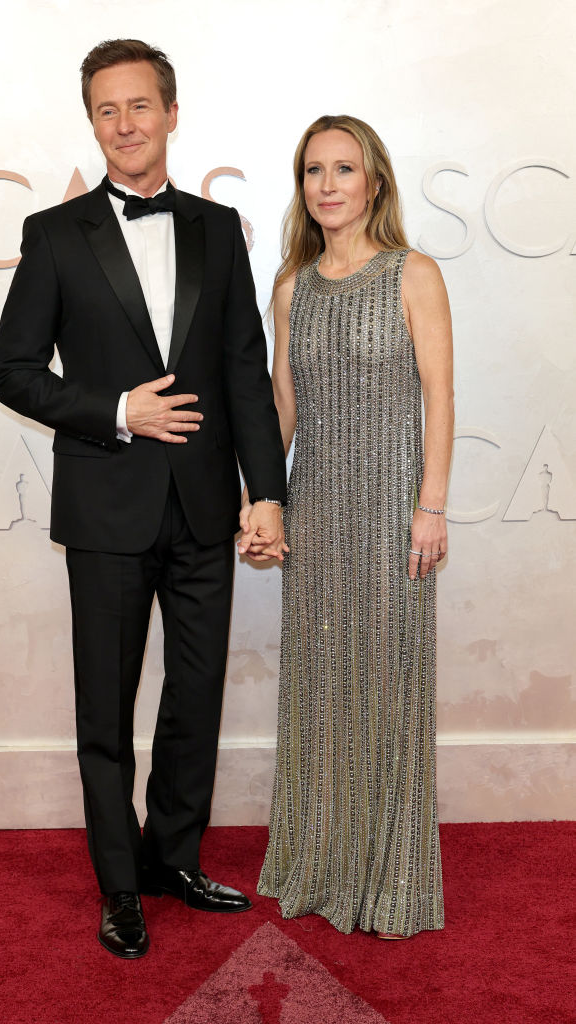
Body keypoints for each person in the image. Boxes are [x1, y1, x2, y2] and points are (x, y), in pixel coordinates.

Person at [0, 38, 287, 959]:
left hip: (204, 506)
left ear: (170, 113)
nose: (124, 124)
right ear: (93, 122)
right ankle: (119, 887)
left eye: (139, 105)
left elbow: (244, 373)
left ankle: (174, 858)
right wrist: (119, 411)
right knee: (106, 710)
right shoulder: (53, 234)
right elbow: (14, 372)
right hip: (105, 509)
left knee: (195, 698)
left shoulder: (217, 227)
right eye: (106, 110)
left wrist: (265, 493)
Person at [253, 115, 453, 938]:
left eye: (343, 168)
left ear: (374, 182)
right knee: (321, 688)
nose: (327, 185)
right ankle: (320, 861)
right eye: (313, 170)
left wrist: (430, 506)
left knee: (388, 684)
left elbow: (439, 394)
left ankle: (390, 879)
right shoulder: (290, 287)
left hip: (393, 512)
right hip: (317, 511)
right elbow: (281, 407)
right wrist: (260, 499)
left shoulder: (413, 273)